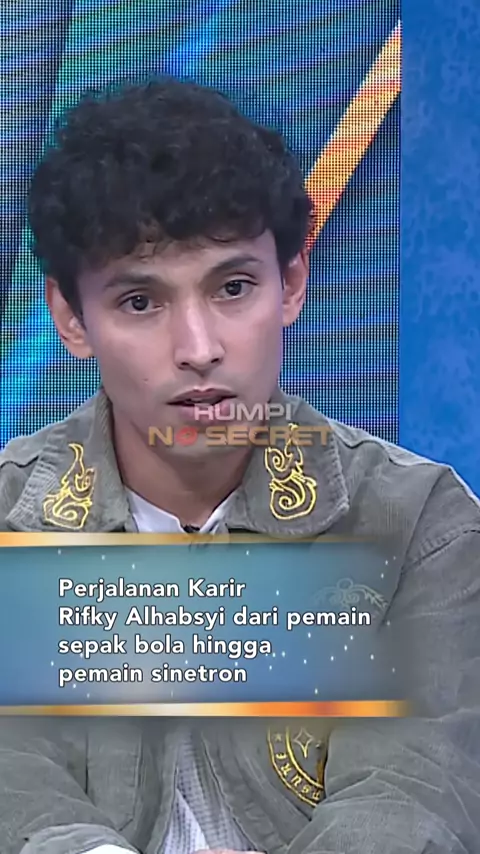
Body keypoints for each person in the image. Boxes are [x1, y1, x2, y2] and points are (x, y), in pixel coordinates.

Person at [0, 77, 479, 854]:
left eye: (233, 287)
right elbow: (18, 787)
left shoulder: (419, 525)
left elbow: (412, 797)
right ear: (69, 318)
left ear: (290, 284)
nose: (198, 348)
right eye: (140, 302)